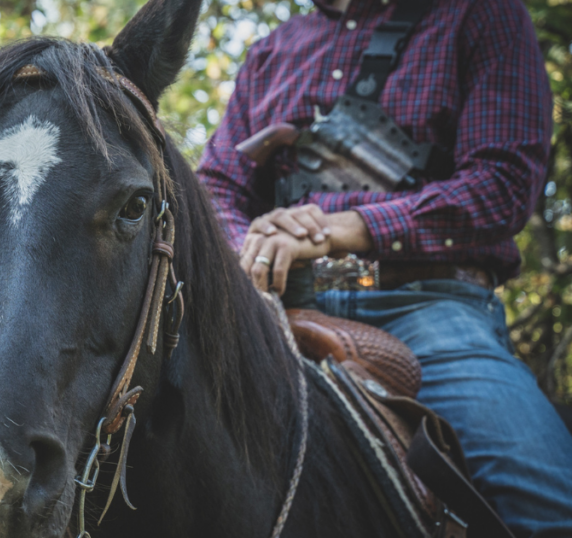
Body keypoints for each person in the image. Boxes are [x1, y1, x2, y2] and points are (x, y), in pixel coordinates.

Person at [196, 0, 572, 535]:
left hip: (429, 307)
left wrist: (340, 228)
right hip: (275, 306)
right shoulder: (269, 53)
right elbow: (216, 188)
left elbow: (503, 183)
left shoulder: (480, 13)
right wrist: (253, 241)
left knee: (546, 503)